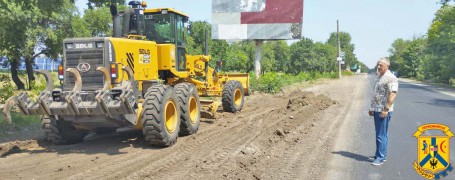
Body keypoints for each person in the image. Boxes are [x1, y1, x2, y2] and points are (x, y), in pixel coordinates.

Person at [368, 57, 398, 166]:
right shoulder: (380, 76)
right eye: (378, 65)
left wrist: (386, 109)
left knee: (381, 135)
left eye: (381, 65)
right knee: (382, 134)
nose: (378, 67)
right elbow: (377, 94)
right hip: (377, 109)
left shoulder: (391, 78)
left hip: (383, 110)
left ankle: (380, 158)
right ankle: (380, 154)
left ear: (387, 66)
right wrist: (372, 108)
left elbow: (393, 94)